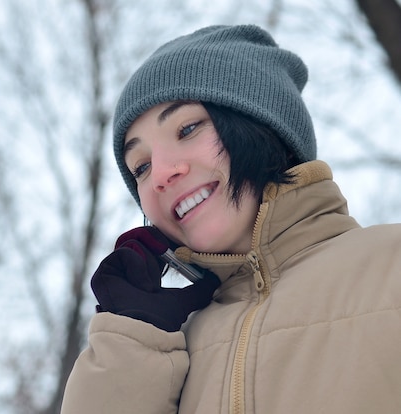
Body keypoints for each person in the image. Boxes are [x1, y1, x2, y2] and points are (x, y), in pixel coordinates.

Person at [60, 24, 401, 414]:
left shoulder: (392, 266)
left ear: (264, 126)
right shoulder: (163, 345)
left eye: (187, 128)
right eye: (140, 166)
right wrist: (132, 346)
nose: (160, 175)